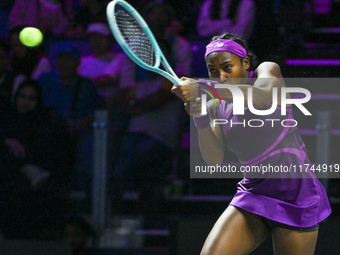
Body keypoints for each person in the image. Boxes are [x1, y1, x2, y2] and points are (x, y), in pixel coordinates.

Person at [171, 33, 331, 255]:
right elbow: (213, 159)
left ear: (245, 63)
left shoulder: (267, 71)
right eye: (213, 70)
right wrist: (200, 118)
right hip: (254, 193)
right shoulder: (215, 105)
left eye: (228, 67)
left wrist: (203, 86)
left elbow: (264, 97)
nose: (221, 76)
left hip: (295, 193)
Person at [0, 79, 74, 238]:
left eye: (31, 98)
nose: (25, 102)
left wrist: (25, 150)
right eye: (22, 97)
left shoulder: (47, 121)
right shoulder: (6, 118)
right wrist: (7, 142)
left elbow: (54, 151)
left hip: (41, 170)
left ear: (38, 100)